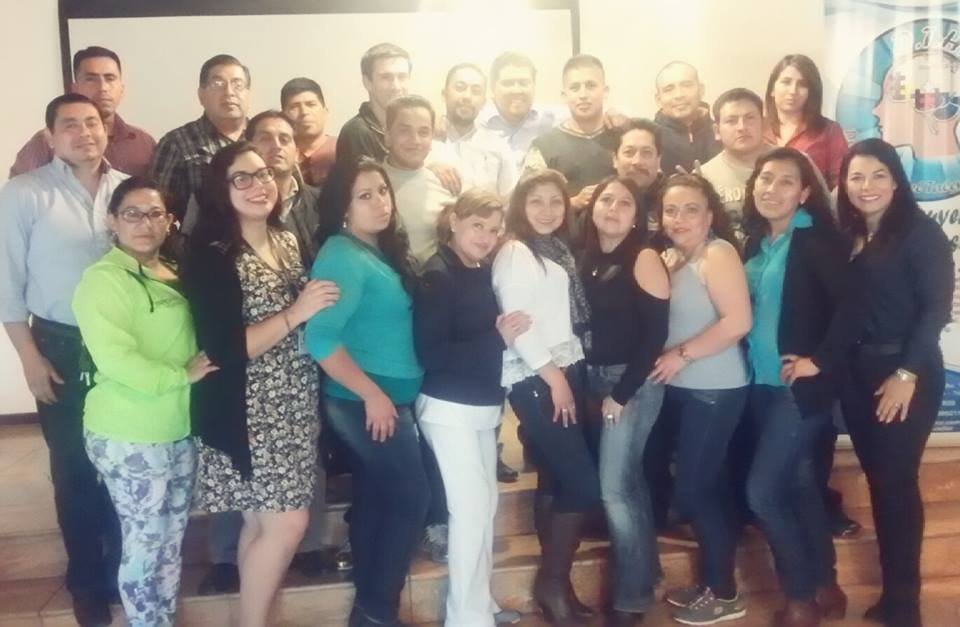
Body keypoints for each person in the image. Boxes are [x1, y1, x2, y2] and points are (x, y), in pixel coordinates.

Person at [181, 142, 339, 627]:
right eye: (242, 178)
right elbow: (225, 348)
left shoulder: (285, 238)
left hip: (293, 400)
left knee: (261, 521)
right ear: (221, 190)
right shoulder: (210, 255)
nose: (258, 185)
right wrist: (296, 313)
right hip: (249, 408)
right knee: (289, 522)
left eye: (264, 174)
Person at [0, 93, 126, 627]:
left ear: (106, 129)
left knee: (124, 461)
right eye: (70, 124)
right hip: (59, 343)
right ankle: (86, 583)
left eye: (92, 122)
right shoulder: (24, 194)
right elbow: (6, 285)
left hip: (125, 344)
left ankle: (122, 572)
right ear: (50, 137)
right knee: (74, 467)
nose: (84, 132)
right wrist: (28, 357)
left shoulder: (128, 191)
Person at [72, 177, 217, 627]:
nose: (145, 223)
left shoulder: (172, 270)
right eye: (132, 213)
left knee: (169, 542)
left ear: (170, 222)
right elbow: (116, 359)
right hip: (129, 432)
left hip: (177, 427)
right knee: (144, 543)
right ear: (112, 221)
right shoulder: (102, 280)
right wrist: (181, 374)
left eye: (156, 214)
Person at [305, 159, 429, 627]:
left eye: (382, 190)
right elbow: (320, 338)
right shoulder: (341, 255)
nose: (380, 201)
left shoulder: (377, 250)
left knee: (379, 499)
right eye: (364, 195)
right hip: (362, 401)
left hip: (385, 399)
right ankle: (378, 611)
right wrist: (373, 394)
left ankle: (370, 613)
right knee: (411, 498)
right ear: (343, 207)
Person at [837, 138, 953, 627]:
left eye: (878, 175)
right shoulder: (849, 233)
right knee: (881, 483)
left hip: (906, 374)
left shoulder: (920, 234)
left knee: (896, 483)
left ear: (896, 181)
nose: (867, 186)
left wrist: (906, 374)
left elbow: (935, 311)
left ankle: (906, 605)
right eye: (856, 177)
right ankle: (892, 595)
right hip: (857, 375)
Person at [741, 148, 857, 627]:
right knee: (802, 485)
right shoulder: (755, 241)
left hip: (797, 389)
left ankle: (800, 599)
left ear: (805, 192)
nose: (771, 188)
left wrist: (819, 361)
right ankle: (827, 586)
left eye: (785, 181)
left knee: (763, 493)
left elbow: (855, 309)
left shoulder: (815, 241)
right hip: (760, 385)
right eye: (765, 178)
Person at [414, 189, 529, 627]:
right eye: (477, 225)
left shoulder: (479, 269)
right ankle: (464, 617)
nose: (485, 236)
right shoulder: (437, 274)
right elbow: (431, 353)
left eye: (494, 229)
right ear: (455, 221)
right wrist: (496, 339)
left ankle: (480, 603)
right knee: (470, 509)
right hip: (448, 407)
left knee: (486, 504)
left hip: (480, 405)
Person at [492, 169, 602, 625]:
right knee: (582, 484)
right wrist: (555, 379)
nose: (547, 210)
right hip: (537, 377)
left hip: (561, 367)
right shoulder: (515, 252)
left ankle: (560, 587)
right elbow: (518, 326)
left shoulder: (554, 249)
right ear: (520, 205)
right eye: (536, 200)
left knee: (556, 480)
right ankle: (552, 584)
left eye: (556, 201)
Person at [650, 174, 752, 625]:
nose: (680, 218)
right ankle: (712, 581)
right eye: (671, 210)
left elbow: (738, 322)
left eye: (691, 209)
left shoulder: (718, 254)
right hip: (686, 389)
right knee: (703, 486)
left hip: (715, 389)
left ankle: (725, 593)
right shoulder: (676, 259)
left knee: (694, 489)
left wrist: (682, 354)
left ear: (710, 216)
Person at [579, 176, 669, 626]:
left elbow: (655, 334)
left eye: (625, 203)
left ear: (638, 216)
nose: (613, 208)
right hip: (595, 379)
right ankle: (648, 575)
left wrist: (621, 394)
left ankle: (630, 601)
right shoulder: (588, 257)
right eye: (606, 199)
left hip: (630, 384)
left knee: (614, 490)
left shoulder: (643, 257)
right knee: (629, 484)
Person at [10, 46, 156, 178]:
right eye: (91, 79)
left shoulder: (143, 143)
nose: (103, 87)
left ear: (121, 89)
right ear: (75, 88)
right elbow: (21, 192)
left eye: (110, 78)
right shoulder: (47, 142)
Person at [150, 54, 251, 223]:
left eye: (238, 85)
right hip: (200, 238)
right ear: (201, 95)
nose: (229, 92)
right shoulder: (176, 143)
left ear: (248, 94)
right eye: (218, 84)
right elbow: (156, 208)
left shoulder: (263, 138)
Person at [522, 54, 615, 220]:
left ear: (605, 91)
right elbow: (526, 205)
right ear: (564, 95)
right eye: (575, 88)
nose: (583, 94)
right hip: (563, 235)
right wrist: (572, 203)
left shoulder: (625, 140)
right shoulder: (543, 146)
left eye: (591, 85)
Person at [381, 95, 456, 264]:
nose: (415, 140)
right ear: (388, 135)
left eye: (423, 132)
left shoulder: (447, 182)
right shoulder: (369, 185)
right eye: (404, 131)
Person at [247, 110, 321, 265]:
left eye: (284, 139)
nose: (276, 146)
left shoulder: (321, 201)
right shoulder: (241, 207)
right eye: (265, 139)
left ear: (297, 153)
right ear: (248, 150)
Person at [763, 54, 848, 190]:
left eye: (802, 84)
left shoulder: (829, 131)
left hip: (813, 203)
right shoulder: (757, 128)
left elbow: (842, 183)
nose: (793, 91)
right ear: (772, 89)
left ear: (811, 92)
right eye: (786, 82)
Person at [437, 63, 517, 197]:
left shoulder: (498, 147)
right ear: (444, 94)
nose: (467, 96)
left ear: (483, 102)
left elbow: (510, 199)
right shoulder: (424, 142)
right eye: (460, 88)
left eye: (476, 91)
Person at [700, 88, 771, 236]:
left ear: (764, 124)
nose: (742, 127)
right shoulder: (703, 176)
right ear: (717, 131)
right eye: (731, 121)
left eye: (750, 118)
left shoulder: (793, 163)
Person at [479, 51, 565, 171]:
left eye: (523, 83)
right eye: (508, 83)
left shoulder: (552, 121)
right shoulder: (477, 124)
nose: (517, 90)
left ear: (534, 85)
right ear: (493, 88)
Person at [653, 61, 721, 175]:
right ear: (658, 99)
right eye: (669, 89)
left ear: (701, 90)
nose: (679, 95)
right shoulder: (650, 139)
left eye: (686, 85)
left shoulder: (722, 132)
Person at [281, 77, 337, 187]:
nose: (304, 112)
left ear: (325, 111)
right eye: (294, 107)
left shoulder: (344, 149)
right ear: (282, 116)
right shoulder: (279, 155)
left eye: (311, 104)